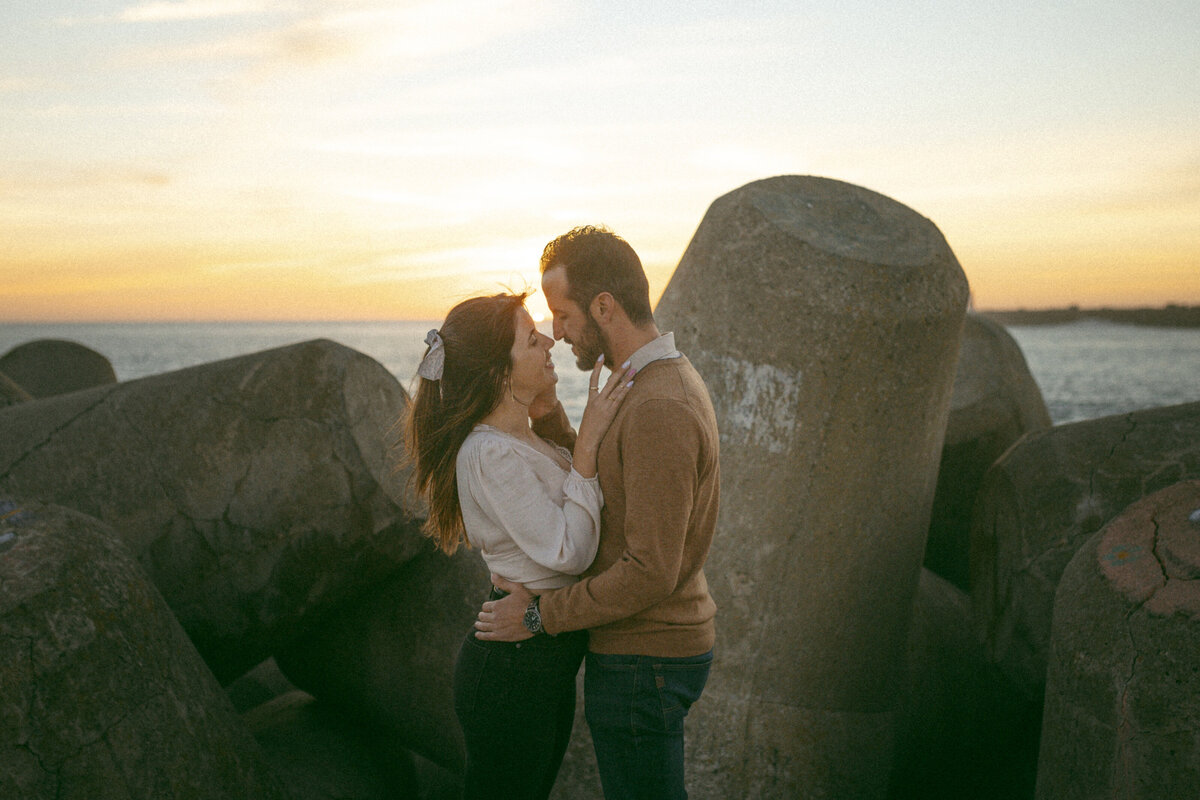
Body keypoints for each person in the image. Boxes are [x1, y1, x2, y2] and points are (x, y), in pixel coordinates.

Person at [474, 226, 720, 800]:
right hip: (644, 655)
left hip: (645, 659)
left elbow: (650, 569)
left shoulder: (659, 405)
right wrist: (554, 421)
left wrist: (536, 617)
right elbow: (614, 493)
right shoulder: (638, 382)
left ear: (604, 306)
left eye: (562, 315)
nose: (555, 335)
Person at [405, 290, 635, 800]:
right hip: (512, 670)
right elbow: (570, 552)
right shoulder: (489, 454)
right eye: (533, 340)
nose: (551, 340)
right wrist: (590, 447)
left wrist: (565, 429)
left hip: (542, 659)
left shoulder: (529, 441)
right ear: (498, 374)